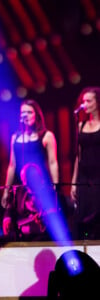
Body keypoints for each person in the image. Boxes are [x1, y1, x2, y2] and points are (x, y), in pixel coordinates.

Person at [1, 99, 59, 240]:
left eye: (29, 112)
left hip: (40, 187)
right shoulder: (16, 137)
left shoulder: (46, 136)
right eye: (23, 112)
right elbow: (12, 165)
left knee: (40, 226)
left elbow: (52, 162)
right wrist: (5, 190)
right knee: (17, 228)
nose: (25, 115)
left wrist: (55, 186)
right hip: (20, 189)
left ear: (36, 115)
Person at [70, 86, 100, 240]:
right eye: (83, 101)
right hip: (83, 177)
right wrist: (74, 182)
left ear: (97, 103)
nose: (84, 105)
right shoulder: (81, 125)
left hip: (98, 177)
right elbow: (78, 155)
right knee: (81, 217)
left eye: (89, 101)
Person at [2, 163, 57, 241]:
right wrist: (7, 218)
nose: (28, 184)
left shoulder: (48, 194)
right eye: (26, 181)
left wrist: (44, 223)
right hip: (21, 235)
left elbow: (54, 218)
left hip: (40, 236)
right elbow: (10, 209)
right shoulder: (20, 191)